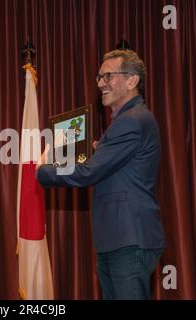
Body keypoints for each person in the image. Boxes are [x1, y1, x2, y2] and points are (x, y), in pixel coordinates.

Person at [36, 49, 165, 299]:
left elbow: (89, 172)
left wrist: (42, 171)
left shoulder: (131, 120)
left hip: (129, 236)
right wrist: (98, 152)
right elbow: (108, 167)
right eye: (99, 77)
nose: (101, 83)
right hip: (118, 237)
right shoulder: (125, 121)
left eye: (108, 76)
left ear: (132, 80)